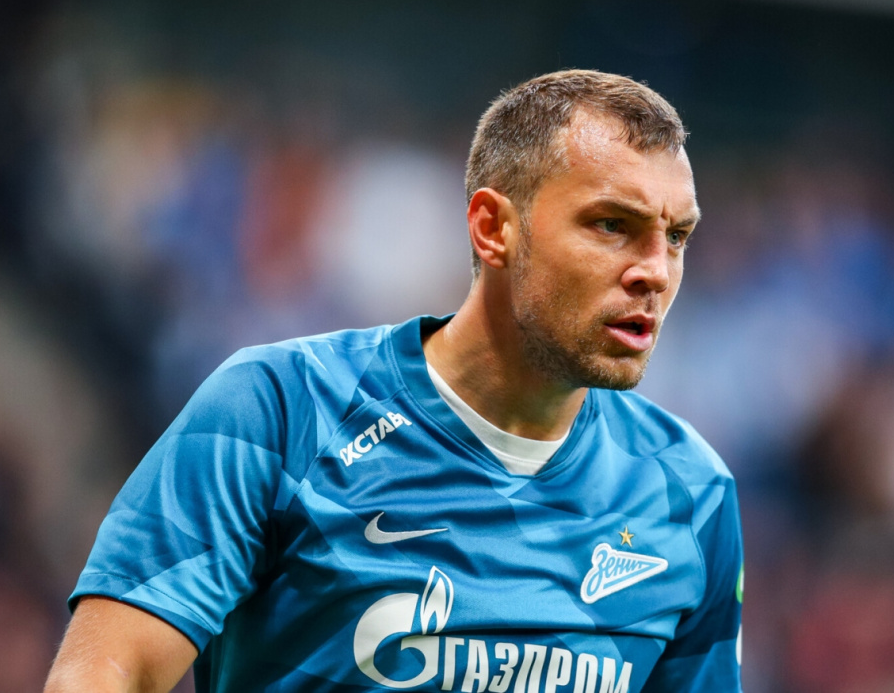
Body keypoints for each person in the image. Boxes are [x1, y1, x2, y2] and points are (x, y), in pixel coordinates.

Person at [44, 69, 744, 693]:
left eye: (676, 237)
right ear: (494, 228)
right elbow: (110, 670)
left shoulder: (691, 493)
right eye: (612, 225)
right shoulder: (280, 410)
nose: (655, 272)